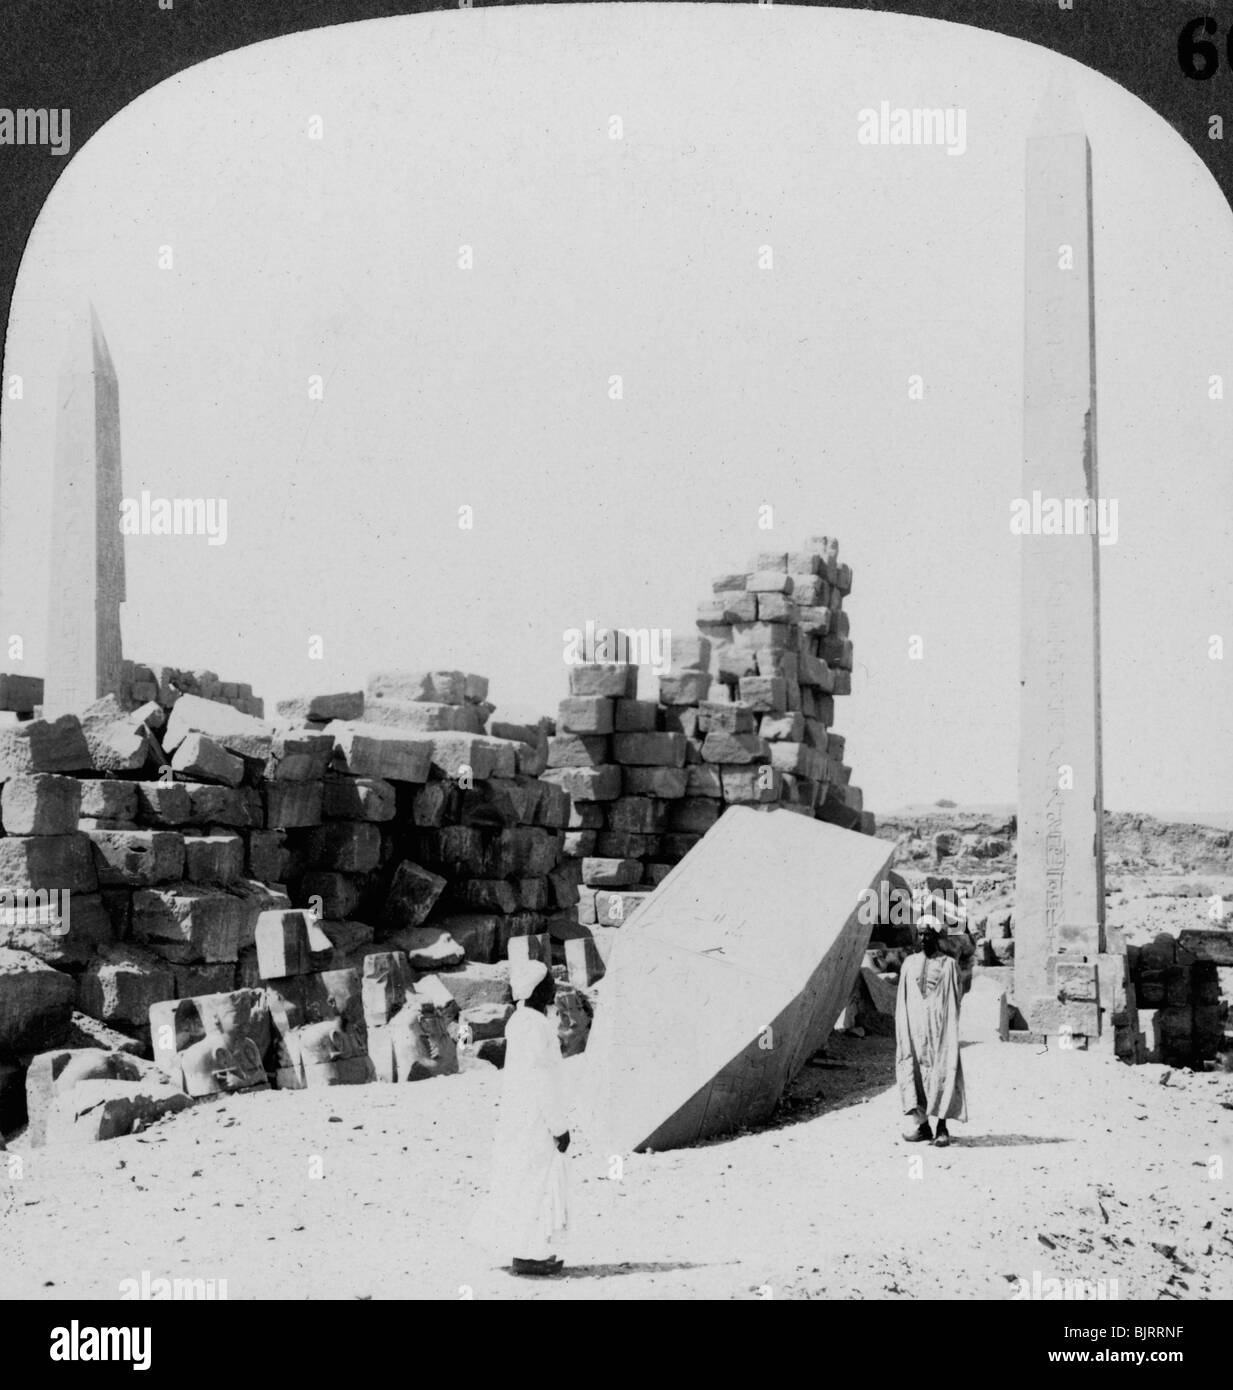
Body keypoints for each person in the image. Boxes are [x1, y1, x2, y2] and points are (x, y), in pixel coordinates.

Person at [468, 958, 571, 1275]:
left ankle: (527, 1252)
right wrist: (559, 1125)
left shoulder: (522, 1021)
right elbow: (543, 1078)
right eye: (548, 984)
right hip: (535, 1119)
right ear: (535, 990)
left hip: (521, 1115)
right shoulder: (534, 1025)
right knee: (533, 1183)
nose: (554, 987)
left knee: (521, 1181)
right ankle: (527, 1256)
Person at [895, 914, 967, 1146]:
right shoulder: (909, 964)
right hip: (914, 1029)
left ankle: (942, 1127)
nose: (923, 938)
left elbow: (954, 1003)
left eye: (928, 934)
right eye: (921, 934)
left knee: (943, 1070)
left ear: (937, 937)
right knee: (913, 1070)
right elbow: (902, 1002)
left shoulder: (949, 965)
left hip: (939, 1030)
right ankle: (923, 1126)